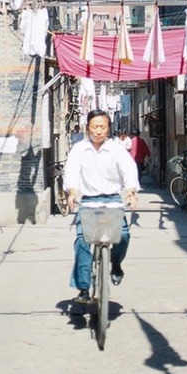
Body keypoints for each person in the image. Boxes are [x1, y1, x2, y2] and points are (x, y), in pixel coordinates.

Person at [63, 109, 139, 302]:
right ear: (88, 128)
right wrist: (72, 192)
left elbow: (129, 169)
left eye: (102, 127)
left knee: (123, 234)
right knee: (82, 240)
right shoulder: (79, 149)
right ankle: (82, 288)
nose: (98, 131)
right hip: (88, 201)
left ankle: (115, 264)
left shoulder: (116, 149)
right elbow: (71, 171)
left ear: (108, 128)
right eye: (95, 126)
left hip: (112, 200)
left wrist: (131, 192)